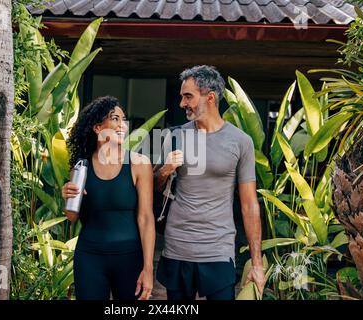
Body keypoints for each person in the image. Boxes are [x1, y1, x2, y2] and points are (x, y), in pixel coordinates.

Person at [154, 65, 265, 300]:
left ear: (210, 97)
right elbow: (154, 188)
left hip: (218, 249)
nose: (182, 103)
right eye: (182, 97)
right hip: (178, 246)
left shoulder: (240, 141)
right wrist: (164, 171)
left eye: (188, 96)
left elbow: (249, 204)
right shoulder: (174, 137)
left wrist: (257, 263)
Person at [62, 96, 155, 300]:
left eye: (123, 119)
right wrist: (67, 196)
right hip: (90, 258)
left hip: (130, 258)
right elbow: (71, 216)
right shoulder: (81, 168)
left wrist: (148, 268)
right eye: (115, 119)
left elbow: (146, 218)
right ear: (97, 128)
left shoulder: (139, 163)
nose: (122, 125)